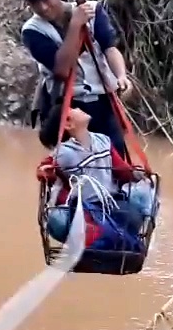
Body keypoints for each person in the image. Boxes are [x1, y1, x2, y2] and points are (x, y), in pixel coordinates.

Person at [16, 0, 133, 158]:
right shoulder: (32, 31)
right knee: (74, 161)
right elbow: (62, 69)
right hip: (68, 107)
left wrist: (121, 76)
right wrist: (76, 25)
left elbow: (110, 49)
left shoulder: (94, 11)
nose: (44, 8)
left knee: (116, 156)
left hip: (103, 101)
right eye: (36, 4)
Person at [40, 105, 151, 253]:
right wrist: (45, 173)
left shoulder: (103, 141)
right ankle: (104, 240)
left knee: (133, 218)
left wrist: (139, 173)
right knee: (66, 222)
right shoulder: (65, 153)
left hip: (110, 201)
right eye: (73, 109)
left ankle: (110, 240)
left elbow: (121, 170)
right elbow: (46, 167)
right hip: (86, 208)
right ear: (68, 124)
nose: (78, 107)